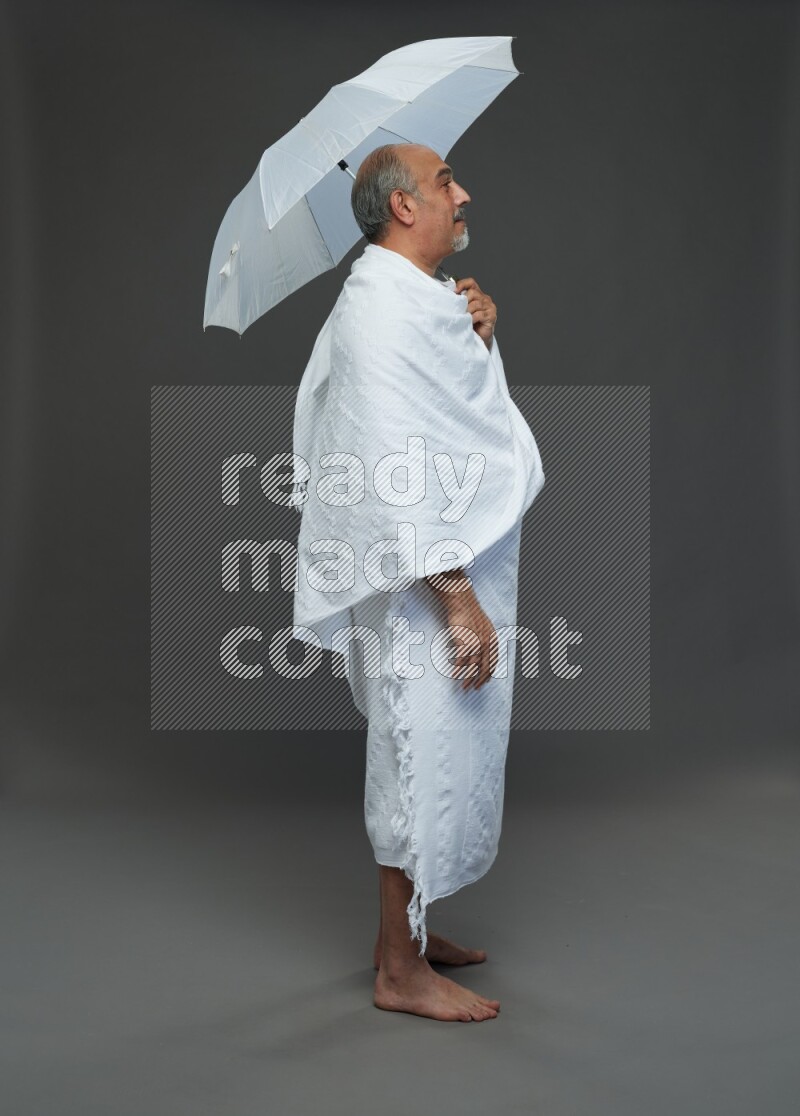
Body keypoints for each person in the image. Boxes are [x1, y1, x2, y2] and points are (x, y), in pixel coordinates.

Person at [290, 143, 545, 1021]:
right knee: (413, 757)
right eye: (445, 183)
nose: (462, 193)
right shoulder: (378, 316)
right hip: (421, 585)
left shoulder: (422, 304)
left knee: (449, 748)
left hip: (447, 570)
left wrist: (476, 337)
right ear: (403, 207)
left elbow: (462, 428)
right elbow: (392, 465)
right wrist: (457, 594)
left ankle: (413, 927)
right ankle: (399, 973)